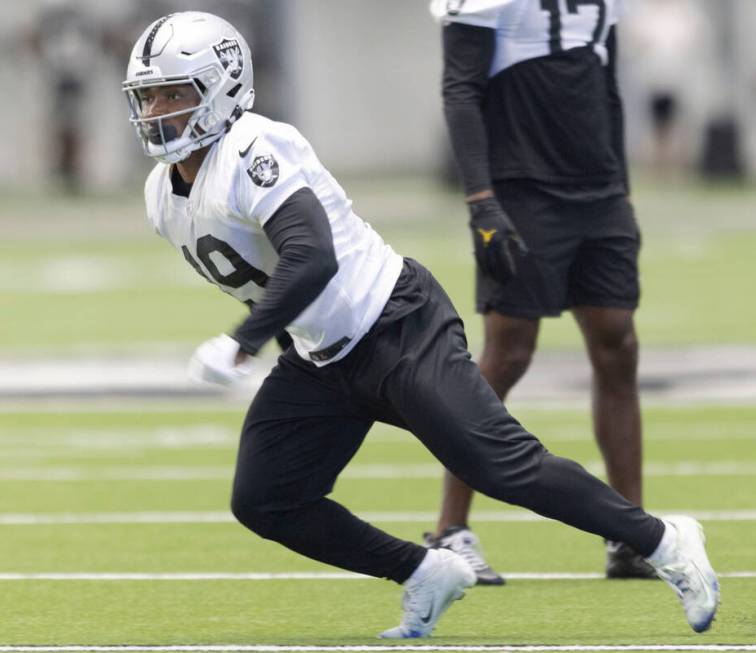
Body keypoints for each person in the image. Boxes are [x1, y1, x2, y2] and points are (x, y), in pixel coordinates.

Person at [122, 11, 719, 638]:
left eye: (174, 92)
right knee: (265, 498)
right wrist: (272, 336)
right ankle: (424, 572)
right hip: (322, 353)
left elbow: (311, 255)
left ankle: (662, 539)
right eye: (148, 95)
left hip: (395, 324)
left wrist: (240, 343)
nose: (158, 110)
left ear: (222, 87)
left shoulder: (255, 146)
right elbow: (261, 277)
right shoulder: (162, 197)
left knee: (502, 466)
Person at [427, 0, 654, 584]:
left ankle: (629, 535)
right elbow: (460, 90)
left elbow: (608, 85)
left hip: (597, 188)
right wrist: (481, 200)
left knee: (617, 343)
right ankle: (450, 530)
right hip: (522, 188)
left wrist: (621, 191)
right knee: (508, 353)